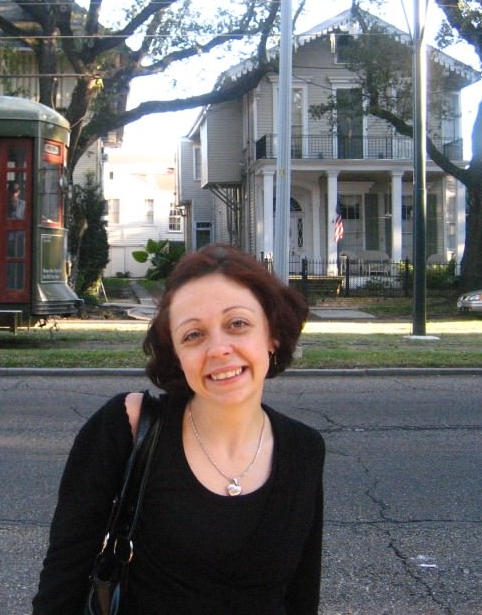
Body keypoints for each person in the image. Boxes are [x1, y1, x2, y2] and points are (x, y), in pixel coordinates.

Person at [32, 243, 324, 615]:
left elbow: (301, 599)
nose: (219, 349)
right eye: (193, 335)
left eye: (238, 324)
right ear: (177, 355)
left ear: (272, 335)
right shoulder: (126, 428)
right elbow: (59, 590)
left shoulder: (304, 449)